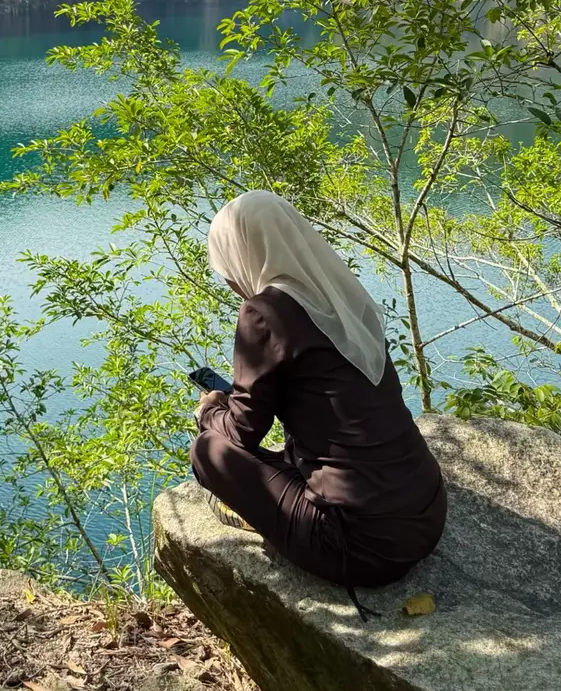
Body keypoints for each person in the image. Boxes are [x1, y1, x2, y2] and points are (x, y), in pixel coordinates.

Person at [191, 189, 446, 611]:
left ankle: (269, 520)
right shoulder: (346, 299)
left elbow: (241, 432)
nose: (232, 281)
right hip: (428, 512)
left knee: (208, 450)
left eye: (228, 268)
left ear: (242, 254)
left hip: (359, 545)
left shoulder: (264, 313)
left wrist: (210, 410)